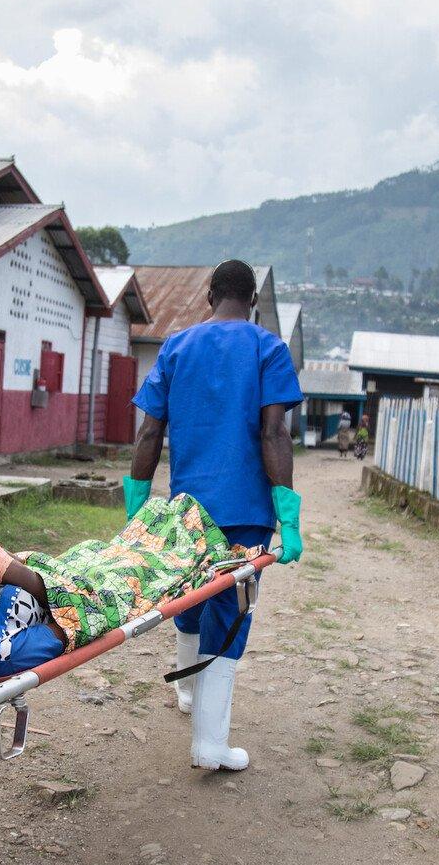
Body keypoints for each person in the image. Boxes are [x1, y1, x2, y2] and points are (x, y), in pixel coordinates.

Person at [124, 259, 304, 771]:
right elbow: (274, 434)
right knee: (230, 613)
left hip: (188, 511)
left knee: (189, 597)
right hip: (245, 513)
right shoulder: (268, 348)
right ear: (251, 302)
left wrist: (138, 505)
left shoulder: (176, 347)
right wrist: (287, 515)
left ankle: (187, 695)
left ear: (209, 296)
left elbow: (148, 433)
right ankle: (209, 745)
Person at [0, 494, 259, 700]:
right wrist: (12, 572)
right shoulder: (5, 652)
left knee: (137, 530)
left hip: (62, 564)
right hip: (90, 587)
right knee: (166, 552)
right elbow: (76, 622)